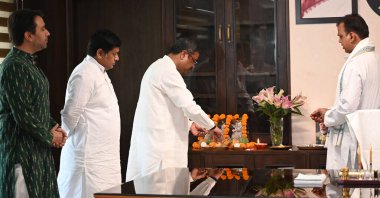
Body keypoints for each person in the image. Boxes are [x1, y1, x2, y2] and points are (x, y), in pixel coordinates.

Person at [126, 38, 223, 182]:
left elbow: (167, 108)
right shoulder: (166, 71)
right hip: (158, 148)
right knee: (158, 188)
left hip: (157, 144)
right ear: (184, 54)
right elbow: (188, 106)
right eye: (194, 61)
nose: (193, 66)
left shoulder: (160, 68)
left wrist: (190, 124)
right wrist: (212, 126)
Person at [0, 9, 67, 198]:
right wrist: (49, 136)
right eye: (43, 29)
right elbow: (23, 116)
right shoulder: (14, 66)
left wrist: (54, 127)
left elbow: (36, 108)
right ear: (28, 35)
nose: (48, 33)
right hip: (22, 155)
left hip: (38, 153)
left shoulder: (28, 64)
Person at [310, 14, 380, 169]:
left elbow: (348, 106)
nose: (339, 41)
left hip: (352, 141)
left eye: (341, 36)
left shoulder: (356, 63)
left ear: (352, 36)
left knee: (345, 189)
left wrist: (327, 116)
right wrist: (330, 112)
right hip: (370, 137)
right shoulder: (374, 60)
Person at [58, 29, 121, 198]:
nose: (117, 58)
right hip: (89, 160)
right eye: (114, 54)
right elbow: (71, 114)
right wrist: (64, 137)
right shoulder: (84, 73)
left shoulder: (99, 72)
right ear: (100, 53)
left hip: (105, 158)